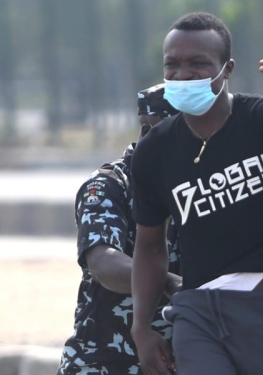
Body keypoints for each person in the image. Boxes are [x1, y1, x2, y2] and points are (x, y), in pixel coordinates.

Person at [129, 12, 263, 375]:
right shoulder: (154, 151)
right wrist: (141, 327)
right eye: (172, 65)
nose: (182, 75)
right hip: (195, 312)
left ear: (226, 69)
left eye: (198, 64)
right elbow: (149, 245)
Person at [57, 84, 182, 375]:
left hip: (178, 360)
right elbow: (103, 262)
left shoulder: (200, 186)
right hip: (103, 362)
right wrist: (169, 282)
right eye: (148, 128)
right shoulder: (109, 185)